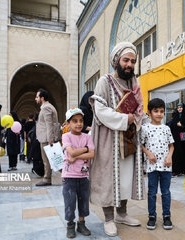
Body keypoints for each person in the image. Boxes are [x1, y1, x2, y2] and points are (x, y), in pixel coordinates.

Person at [89, 42, 145, 237]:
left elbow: (140, 110)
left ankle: (122, 214)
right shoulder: (104, 82)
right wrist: (124, 119)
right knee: (108, 179)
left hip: (128, 139)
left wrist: (137, 120)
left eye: (132, 61)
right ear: (116, 61)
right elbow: (100, 110)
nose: (129, 64)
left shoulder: (134, 84)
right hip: (108, 140)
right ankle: (109, 219)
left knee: (125, 179)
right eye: (126, 60)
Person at [141, 98, 174, 230]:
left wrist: (170, 156)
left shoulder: (166, 128)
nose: (159, 114)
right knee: (152, 192)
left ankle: (166, 216)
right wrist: (148, 153)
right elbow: (141, 145)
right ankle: (152, 216)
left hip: (166, 165)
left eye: (161, 111)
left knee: (166, 192)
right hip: (152, 166)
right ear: (149, 112)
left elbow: (171, 146)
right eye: (156, 111)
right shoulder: (145, 128)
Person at [62, 107, 94, 238]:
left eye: (81, 120)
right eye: (74, 121)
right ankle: (70, 225)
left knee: (84, 201)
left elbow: (92, 154)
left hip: (84, 176)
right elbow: (72, 152)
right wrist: (85, 149)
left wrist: (77, 156)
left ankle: (81, 224)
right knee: (70, 202)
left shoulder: (87, 136)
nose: (79, 123)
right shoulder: (66, 136)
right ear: (68, 123)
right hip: (69, 176)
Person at [35, 88, 61, 186]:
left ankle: (47, 179)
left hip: (47, 138)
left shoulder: (46, 108)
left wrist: (50, 139)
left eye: (37, 97)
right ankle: (48, 178)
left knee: (50, 160)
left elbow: (49, 124)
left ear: (42, 98)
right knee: (54, 159)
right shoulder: (47, 107)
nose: (35, 99)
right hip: (46, 137)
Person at [169, 102, 185, 176]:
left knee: (183, 154)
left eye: (181, 107)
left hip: (183, 140)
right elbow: (172, 126)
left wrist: (181, 126)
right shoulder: (175, 117)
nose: (179, 109)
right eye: (178, 107)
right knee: (176, 154)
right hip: (176, 139)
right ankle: (175, 170)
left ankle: (183, 169)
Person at [28, 113, 44, 177]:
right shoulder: (39, 124)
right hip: (38, 142)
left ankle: (36, 169)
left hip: (36, 142)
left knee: (36, 157)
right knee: (39, 157)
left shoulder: (37, 124)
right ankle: (38, 170)